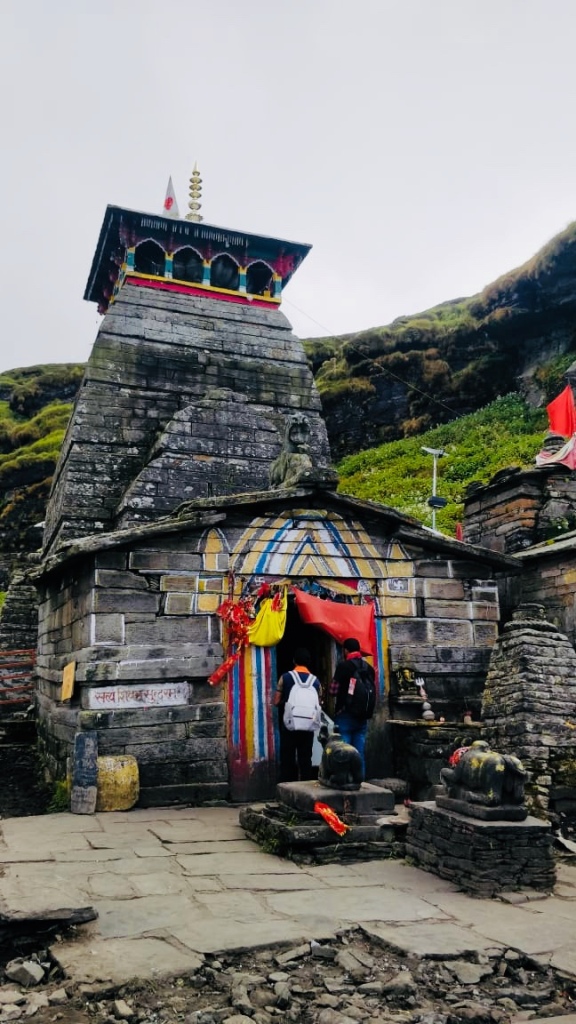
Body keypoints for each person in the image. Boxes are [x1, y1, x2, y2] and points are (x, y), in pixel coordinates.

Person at [330, 637, 376, 778]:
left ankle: (343, 781)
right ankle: (359, 780)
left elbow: (333, 691)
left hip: (345, 713)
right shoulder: (368, 668)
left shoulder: (343, 666)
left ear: (345, 650)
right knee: (359, 751)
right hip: (362, 715)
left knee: (343, 750)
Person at [274, 647, 321, 783]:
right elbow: (319, 703)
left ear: (294, 661)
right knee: (305, 758)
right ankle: (305, 787)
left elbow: (276, 701)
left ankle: (286, 787)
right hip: (308, 725)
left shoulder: (285, 677)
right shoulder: (316, 681)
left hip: (289, 725)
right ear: (308, 662)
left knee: (287, 758)